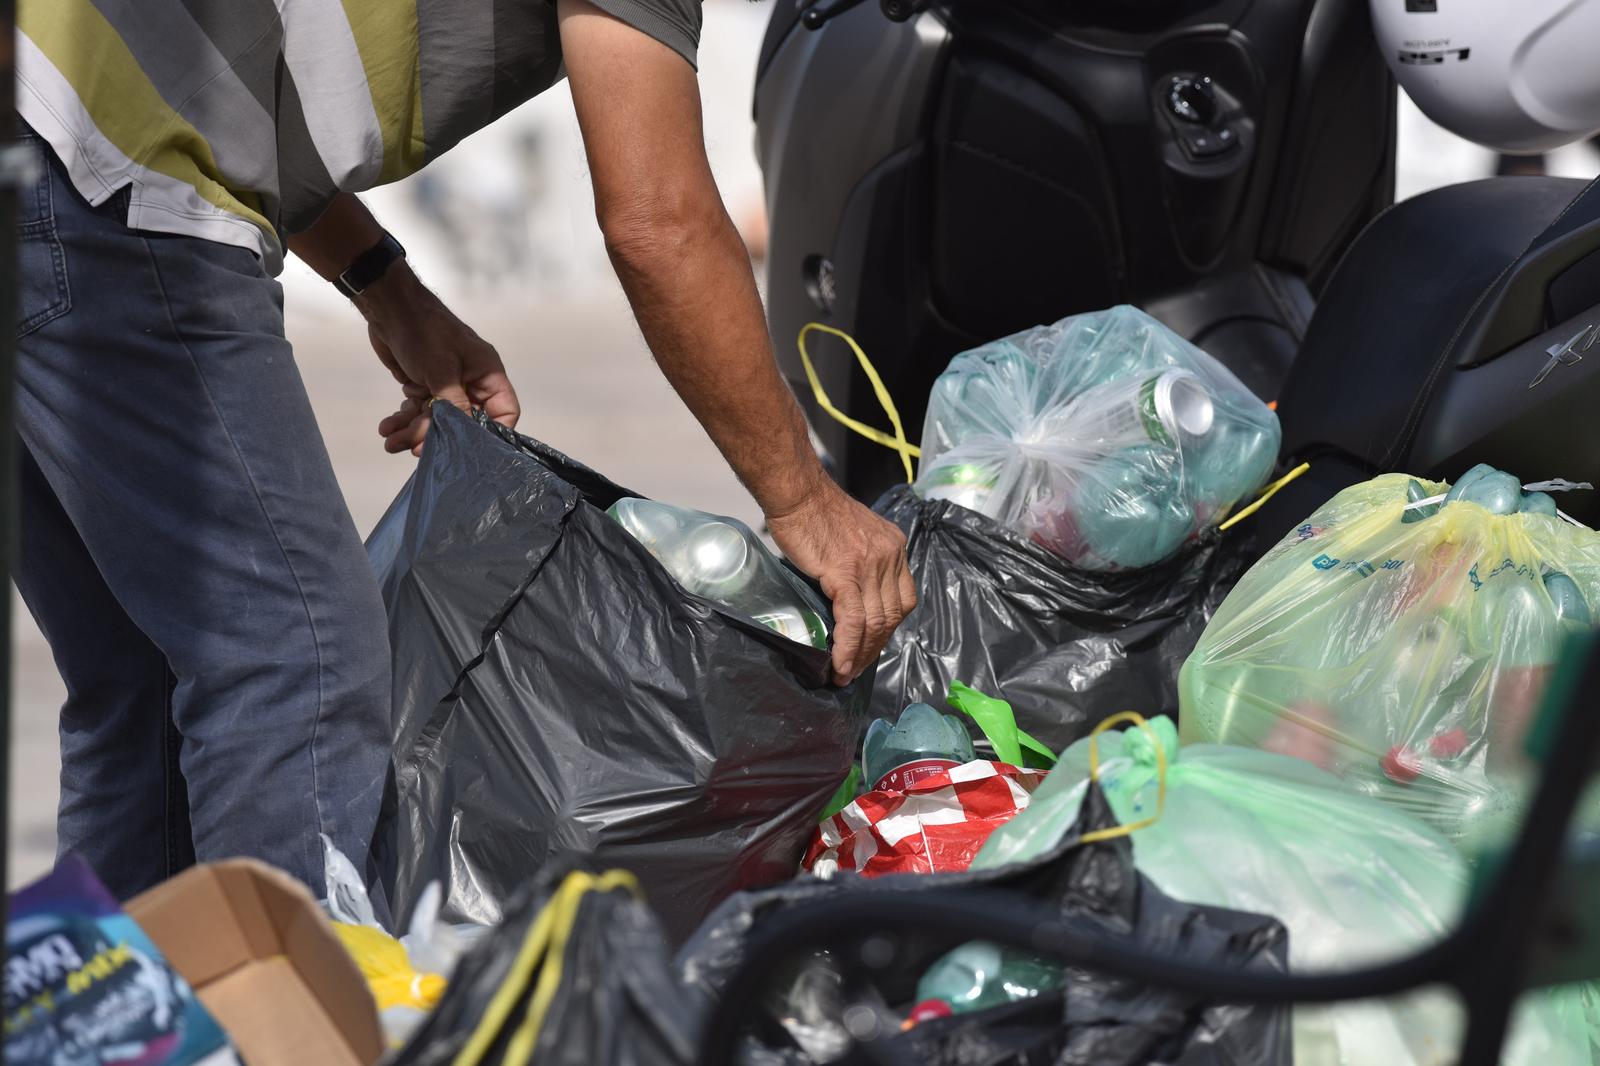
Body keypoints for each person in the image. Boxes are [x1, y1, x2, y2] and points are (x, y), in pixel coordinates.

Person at [13, 0, 916, 899]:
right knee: (297, 660)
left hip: (51, 134)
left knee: (143, 680)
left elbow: (252, 73)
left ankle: (110, 1034)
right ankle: (279, 1030)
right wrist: (806, 504)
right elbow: (658, 222)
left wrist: (387, 288)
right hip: (102, 177)